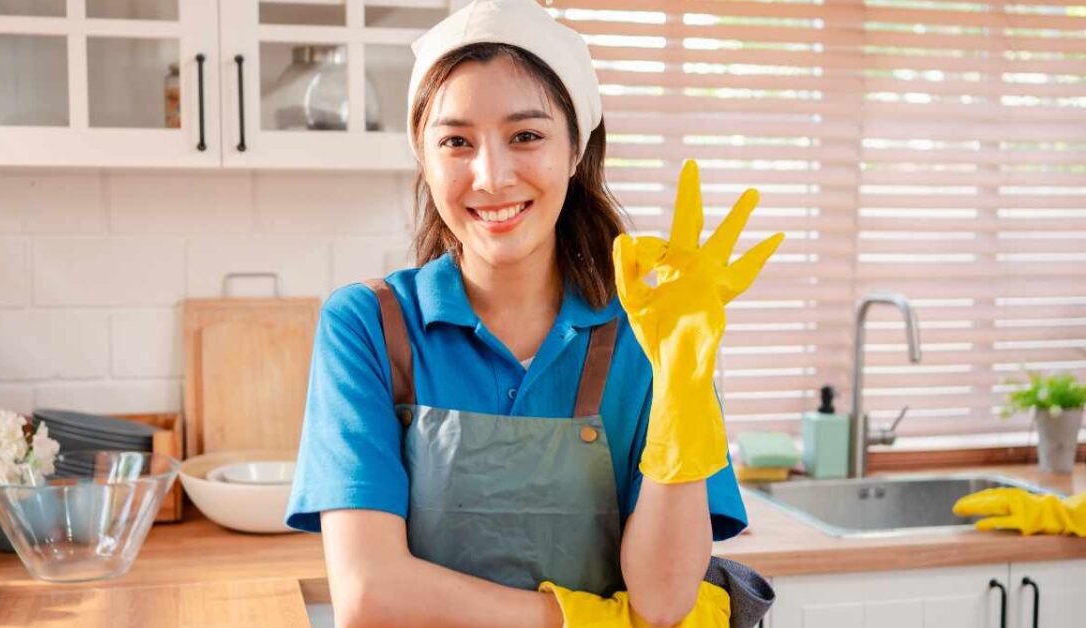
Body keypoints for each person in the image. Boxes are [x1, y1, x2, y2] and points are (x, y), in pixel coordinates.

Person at [285, 1, 781, 625]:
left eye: (526, 135)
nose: (491, 176)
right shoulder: (369, 327)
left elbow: (662, 603)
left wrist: (683, 387)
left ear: (576, 149)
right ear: (425, 157)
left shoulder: (651, 335)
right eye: (456, 142)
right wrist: (585, 620)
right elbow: (368, 596)